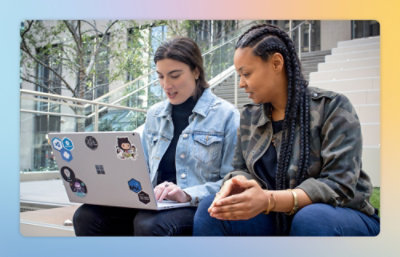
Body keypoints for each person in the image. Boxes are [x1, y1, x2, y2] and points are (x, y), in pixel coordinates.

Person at [193, 24, 380, 236]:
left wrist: (269, 200)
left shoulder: (332, 107)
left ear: (276, 63)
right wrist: (238, 185)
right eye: (239, 75)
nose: (241, 84)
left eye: (246, 73)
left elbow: (339, 185)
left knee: (311, 219)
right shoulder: (249, 117)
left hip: (339, 216)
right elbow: (240, 169)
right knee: (212, 210)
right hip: (275, 219)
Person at [72, 37, 239, 236]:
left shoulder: (227, 115)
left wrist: (186, 194)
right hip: (153, 203)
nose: (166, 85)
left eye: (174, 75)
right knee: (87, 216)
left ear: (196, 71)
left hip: (194, 206)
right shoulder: (155, 114)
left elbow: (232, 182)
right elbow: (140, 169)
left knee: (149, 224)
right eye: (160, 76)